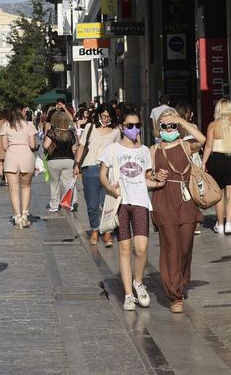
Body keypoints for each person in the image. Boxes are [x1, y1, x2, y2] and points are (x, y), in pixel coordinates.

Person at [100, 109, 164, 310]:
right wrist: (110, 187)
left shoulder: (145, 151)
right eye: (130, 126)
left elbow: (145, 177)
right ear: (121, 126)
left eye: (137, 125)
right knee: (125, 249)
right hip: (121, 203)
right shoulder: (112, 150)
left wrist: (157, 181)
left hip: (140, 201)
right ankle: (128, 294)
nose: (134, 129)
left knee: (142, 248)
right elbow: (103, 174)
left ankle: (138, 282)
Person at [150, 108, 207, 312]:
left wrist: (181, 121)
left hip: (186, 200)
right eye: (165, 125)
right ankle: (175, 295)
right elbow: (145, 177)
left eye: (172, 125)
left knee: (185, 247)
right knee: (171, 247)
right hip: (163, 200)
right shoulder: (153, 150)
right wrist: (155, 178)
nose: (169, 128)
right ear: (159, 128)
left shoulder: (185, 145)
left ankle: (181, 281)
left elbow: (203, 139)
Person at [73, 103, 120, 246]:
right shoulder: (90, 128)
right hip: (90, 168)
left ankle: (107, 232)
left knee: (106, 203)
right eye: (103, 116)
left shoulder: (116, 131)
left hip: (108, 171)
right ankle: (94, 229)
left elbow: (117, 151)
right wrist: (77, 164)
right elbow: (81, 146)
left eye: (108, 116)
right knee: (92, 204)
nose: (106, 119)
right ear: (98, 115)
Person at [201, 98, 231, 235]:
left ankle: (219, 225)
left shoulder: (213, 125)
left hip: (216, 160)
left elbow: (208, 146)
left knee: (219, 195)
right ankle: (229, 224)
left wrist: (203, 162)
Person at [0, 103, 38, 229]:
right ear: (21, 111)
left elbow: (4, 146)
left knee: (13, 189)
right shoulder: (29, 125)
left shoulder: (6, 125)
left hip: (11, 156)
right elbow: (33, 145)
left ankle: (17, 217)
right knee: (26, 186)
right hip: (26, 155)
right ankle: (25, 215)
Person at [43, 111, 78, 214]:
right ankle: (71, 202)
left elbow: (45, 145)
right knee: (68, 182)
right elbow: (74, 148)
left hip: (54, 160)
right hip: (69, 160)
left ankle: (54, 205)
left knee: (55, 183)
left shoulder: (52, 132)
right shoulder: (70, 133)